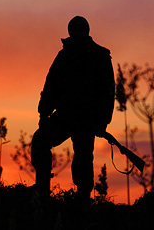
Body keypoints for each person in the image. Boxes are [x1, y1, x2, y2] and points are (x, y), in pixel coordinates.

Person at [31, 16, 115, 203]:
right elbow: (51, 85)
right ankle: (43, 192)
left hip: (87, 119)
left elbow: (108, 92)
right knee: (40, 141)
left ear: (86, 31)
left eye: (80, 29)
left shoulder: (100, 56)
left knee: (83, 157)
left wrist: (102, 122)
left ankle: (83, 199)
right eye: (74, 29)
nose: (76, 33)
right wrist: (44, 114)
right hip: (65, 116)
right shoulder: (64, 56)